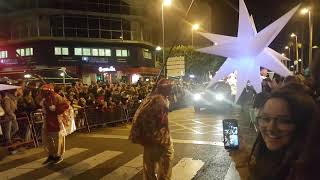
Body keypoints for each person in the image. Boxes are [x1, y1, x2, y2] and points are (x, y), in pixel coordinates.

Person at [230, 84, 317, 180]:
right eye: (266, 118)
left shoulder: (306, 172)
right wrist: (239, 154)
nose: (270, 128)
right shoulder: (272, 156)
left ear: (304, 124)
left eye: (284, 121)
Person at [129, 78, 174, 180]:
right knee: (164, 164)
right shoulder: (160, 101)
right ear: (166, 89)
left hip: (150, 139)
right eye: (170, 88)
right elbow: (161, 121)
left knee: (149, 166)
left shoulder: (151, 98)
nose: (171, 91)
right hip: (159, 139)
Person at [41, 84, 69, 165]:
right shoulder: (44, 98)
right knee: (47, 139)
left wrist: (56, 108)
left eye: (46, 91)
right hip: (47, 121)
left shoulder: (57, 97)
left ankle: (58, 156)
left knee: (58, 140)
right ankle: (51, 155)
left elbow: (66, 105)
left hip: (56, 121)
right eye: (43, 91)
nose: (44, 92)